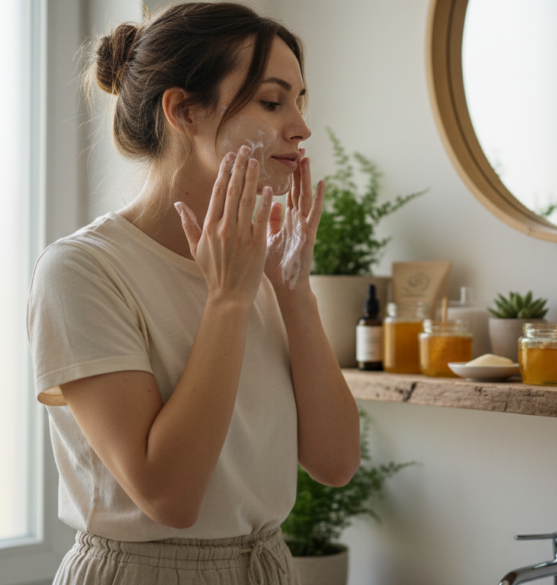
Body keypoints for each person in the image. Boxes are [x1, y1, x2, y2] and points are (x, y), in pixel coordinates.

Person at [26, 4, 361, 584]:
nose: (302, 128)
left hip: (266, 566)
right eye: (272, 101)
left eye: (300, 102)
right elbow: (170, 497)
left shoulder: (258, 263)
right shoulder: (81, 271)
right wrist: (228, 300)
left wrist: (293, 291)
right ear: (183, 110)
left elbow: (335, 463)